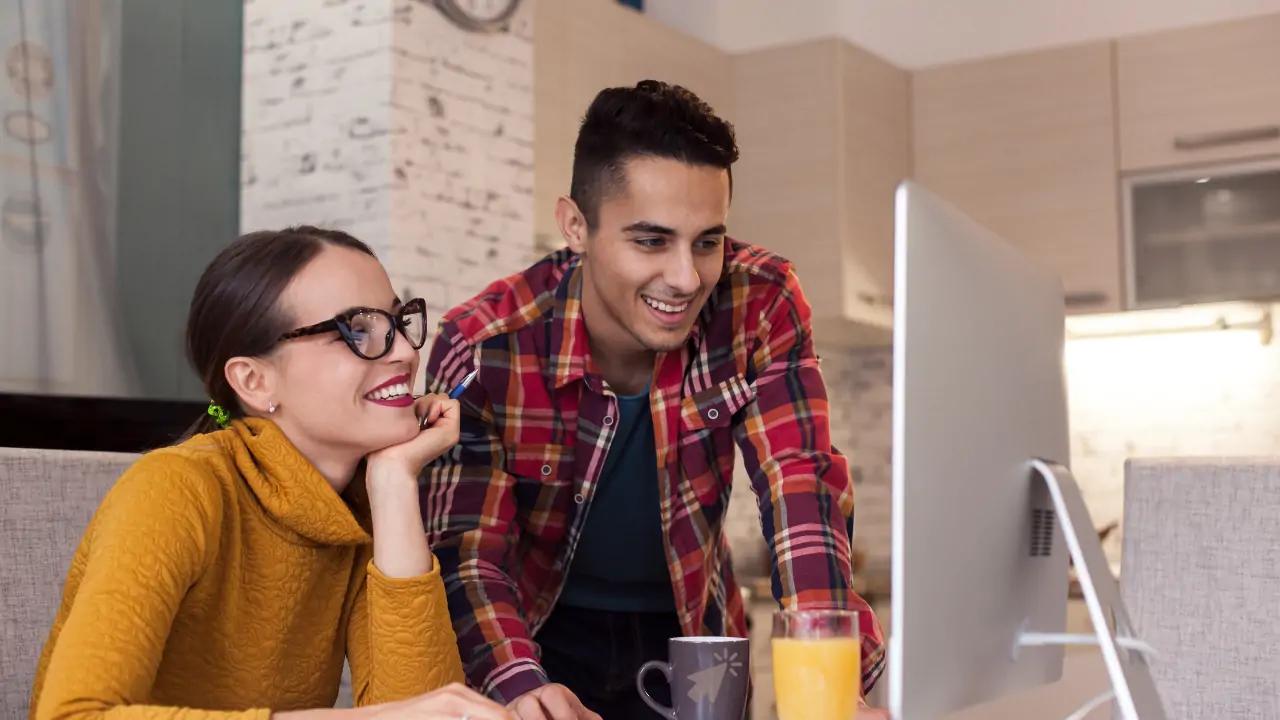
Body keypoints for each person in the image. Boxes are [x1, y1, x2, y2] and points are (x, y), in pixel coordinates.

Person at [419, 81, 889, 719]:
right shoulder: (485, 345)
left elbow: (799, 485)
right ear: (575, 226)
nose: (686, 277)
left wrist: (836, 687)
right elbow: (467, 554)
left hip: (694, 631)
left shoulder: (762, 301)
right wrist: (516, 685)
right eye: (650, 241)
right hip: (533, 635)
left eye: (707, 241)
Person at [29, 227, 516, 720]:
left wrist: (394, 482)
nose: (406, 354)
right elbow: (72, 715)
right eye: (357, 330)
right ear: (254, 380)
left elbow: (428, 711)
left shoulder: (358, 506)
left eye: (397, 320)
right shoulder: (175, 487)